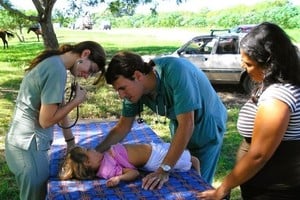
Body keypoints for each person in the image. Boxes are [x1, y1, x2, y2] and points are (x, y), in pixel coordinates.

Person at [96, 51, 227, 189]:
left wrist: (163, 169)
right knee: (179, 174)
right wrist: (96, 153)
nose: (121, 96)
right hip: (180, 125)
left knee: (197, 185)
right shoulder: (135, 90)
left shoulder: (176, 71)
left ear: (138, 75)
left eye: (122, 88)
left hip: (207, 127)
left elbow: (187, 124)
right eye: (118, 90)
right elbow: (122, 127)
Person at [198, 22, 300, 200]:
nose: (244, 68)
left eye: (249, 64)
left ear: (270, 63)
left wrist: (222, 188)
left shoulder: (278, 97)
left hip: (274, 189)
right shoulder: (281, 85)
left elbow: (259, 155)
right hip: (264, 184)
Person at [5, 41, 106, 200]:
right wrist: (76, 101)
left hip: (24, 144)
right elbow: (46, 121)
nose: (86, 76)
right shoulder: (56, 70)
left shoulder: (55, 64)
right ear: (85, 54)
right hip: (28, 149)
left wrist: (70, 141)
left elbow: (59, 108)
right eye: (90, 70)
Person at [59, 142, 200, 187]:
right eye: (89, 151)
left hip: (154, 149)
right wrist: (119, 178)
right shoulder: (106, 170)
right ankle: (200, 181)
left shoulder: (102, 159)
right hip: (157, 158)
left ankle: (199, 178)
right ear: (88, 162)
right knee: (193, 160)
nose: (93, 149)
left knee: (186, 154)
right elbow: (134, 173)